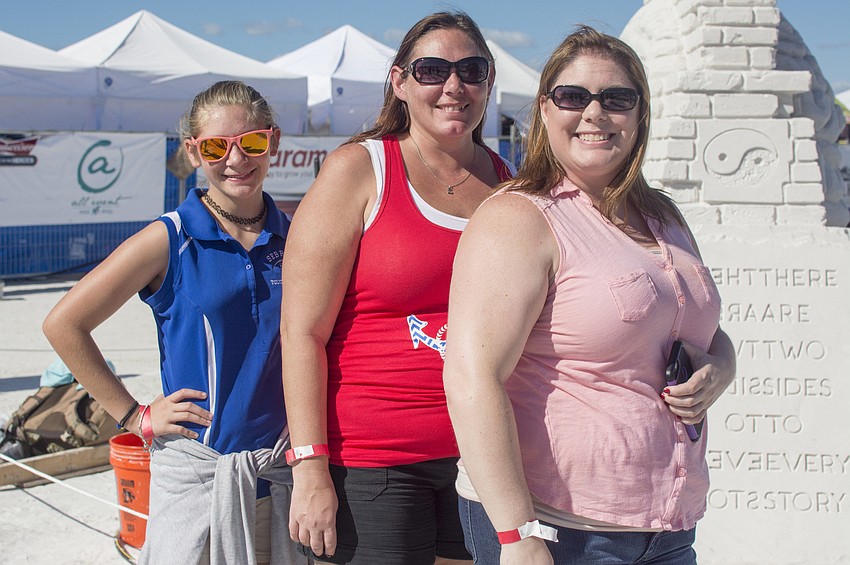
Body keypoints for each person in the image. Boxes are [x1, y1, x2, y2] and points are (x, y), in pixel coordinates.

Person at [443, 26, 737, 565]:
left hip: (667, 529)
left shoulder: (663, 216)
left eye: (616, 99)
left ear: (640, 114)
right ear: (545, 110)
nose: (595, 113)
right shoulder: (520, 219)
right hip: (559, 529)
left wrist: (722, 365)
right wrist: (516, 534)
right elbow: (470, 377)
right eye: (574, 97)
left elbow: (698, 328)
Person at [280, 11, 514, 565]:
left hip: (480, 461)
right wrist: (310, 466)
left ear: (489, 81)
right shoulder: (358, 171)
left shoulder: (511, 184)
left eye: (471, 70)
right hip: (371, 464)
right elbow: (300, 332)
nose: (453, 86)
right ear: (400, 82)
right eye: (432, 69)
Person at [43, 81, 306, 565]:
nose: (236, 159)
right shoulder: (169, 237)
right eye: (215, 146)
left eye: (251, 142)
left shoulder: (299, 236)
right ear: (192, 151)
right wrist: (134, 416)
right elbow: (65, 324)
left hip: (284, 477)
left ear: (273, 141)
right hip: (198, 483)